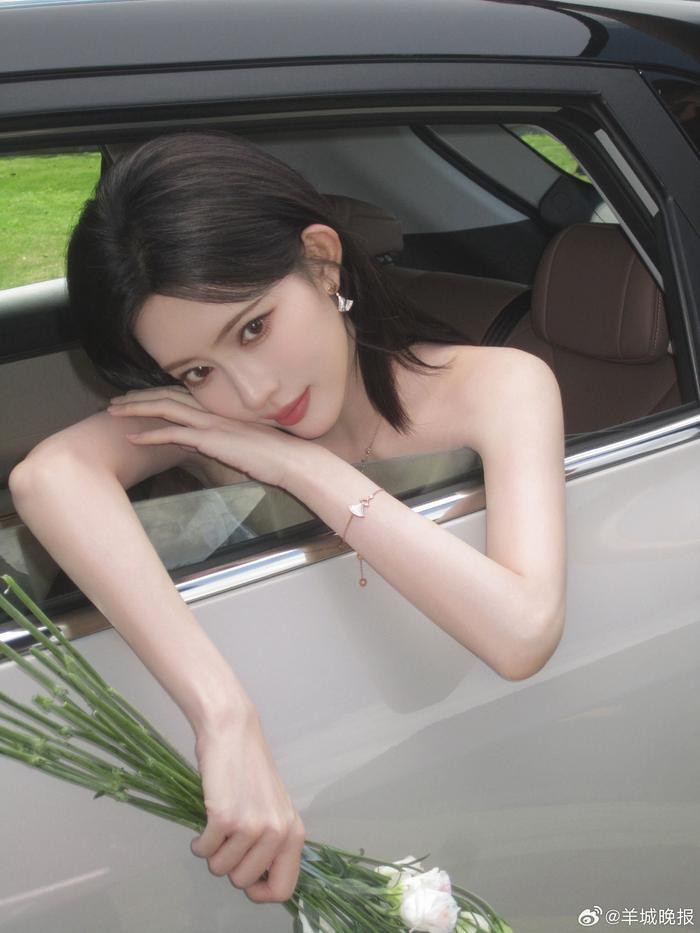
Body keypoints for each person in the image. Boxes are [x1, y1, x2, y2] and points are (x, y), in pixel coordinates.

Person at [8, 131, 567, 907]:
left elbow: (522, 632)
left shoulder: (499, 387)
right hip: (325, 783)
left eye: (253, 327)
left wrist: (300, 466)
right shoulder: (211, 418)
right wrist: (223, 715)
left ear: (321, 261)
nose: (254, 393)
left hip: (496, 776)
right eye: (196, 370)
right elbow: (48, 477)